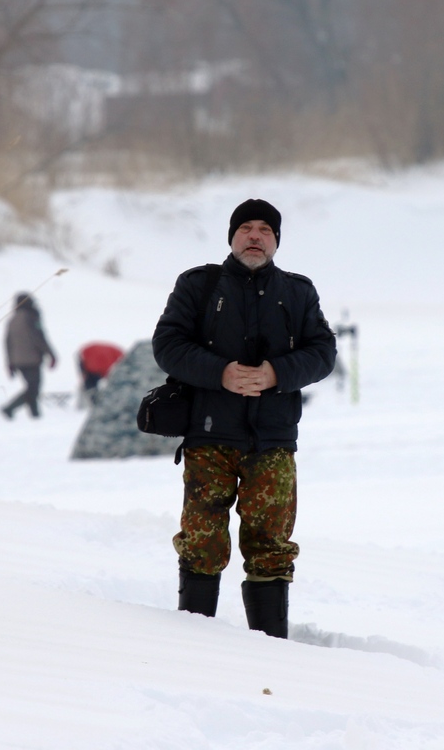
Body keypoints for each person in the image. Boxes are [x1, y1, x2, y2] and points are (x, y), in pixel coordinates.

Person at [152, 198, 336, 639]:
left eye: (266, 230)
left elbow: (323, 352)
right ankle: (195, 643)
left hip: (272, 442)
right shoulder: (198, 285)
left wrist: (277, 373)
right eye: (246, 228)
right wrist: (220, 374)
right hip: (208, 438)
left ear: (275, 241)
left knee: (271, 548)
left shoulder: (297, 291)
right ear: (232, 237)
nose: (256, 236)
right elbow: (167, 344)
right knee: (201, 544)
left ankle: (271, 648)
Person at [1, 292, 56, 419]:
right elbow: (39, 337)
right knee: (33, 388)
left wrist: (10, 362)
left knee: (31, 387)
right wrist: (51, 354)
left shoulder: (12, 320)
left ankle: (34, 415)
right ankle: (10, 408)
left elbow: (7, 343)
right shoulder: (31, 317)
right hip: (32, 359)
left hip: (17, 360)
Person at [76, 342, 124, 408]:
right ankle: (95, 403)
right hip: (95, 361)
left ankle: (90, 402)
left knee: (89, 385)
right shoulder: (121, 356)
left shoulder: (118, 354)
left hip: (89, 356)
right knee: (91, 385)